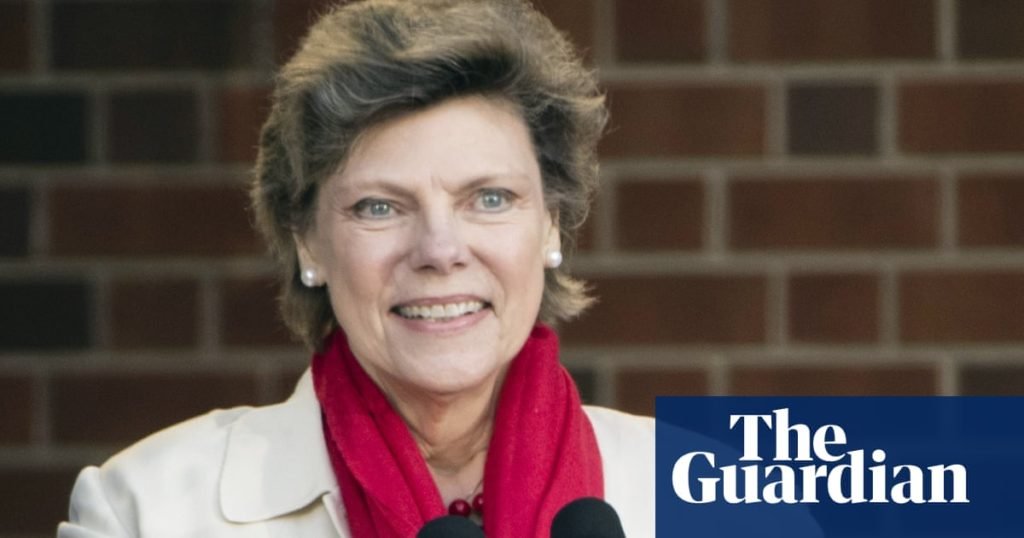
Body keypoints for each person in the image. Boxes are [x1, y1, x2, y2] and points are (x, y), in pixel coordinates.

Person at [58, 0, 654, 536]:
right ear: (308, 243)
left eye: (490, 198)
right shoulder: (144, 509)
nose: (440, 249)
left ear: (551, 224)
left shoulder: (695, 484)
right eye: (379, 207)